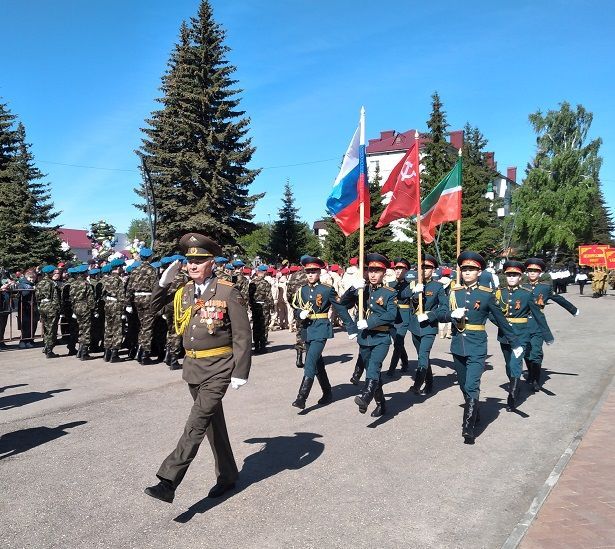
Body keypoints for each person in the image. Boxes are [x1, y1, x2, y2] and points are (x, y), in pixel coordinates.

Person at [144, 232, 251, 504]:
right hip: (193, 367)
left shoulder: (227, 291)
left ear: (211, 262)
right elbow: (152, 310)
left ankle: (168, 480)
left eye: (199, 260)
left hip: (219, 368)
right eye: (189, 260)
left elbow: (241, 335)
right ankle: (228, 476)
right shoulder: (185, 292)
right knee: (213, 424)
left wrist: (240, 371)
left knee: (196, 423)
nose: (192, 265)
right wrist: (162, 282)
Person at [438, 252, 523, 444]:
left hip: (477, 345)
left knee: (471, 384)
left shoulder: (486, 294)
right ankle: (474, 411)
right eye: (465, 269)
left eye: (472, 269)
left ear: (479, 271)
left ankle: (468, 427)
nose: (467, 273)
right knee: (462, 384)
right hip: (458, 345)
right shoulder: (453, 292)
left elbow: (500, 320)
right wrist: (452, 314)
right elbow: (440, 314)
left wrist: (515, 343)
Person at [289, 256, 356, 409]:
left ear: (319, 273)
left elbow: (340, 308)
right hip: (307, 328)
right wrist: (300, 313)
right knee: (318, 363)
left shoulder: (327, 289)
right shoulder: (302, 290)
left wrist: (350, 327)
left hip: (321, 328)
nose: (311, 275)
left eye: (313, 272)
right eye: (308, 272)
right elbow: (296, 308)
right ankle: (327, 393)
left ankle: (301, 398)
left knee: (310, 361)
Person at [341, 253, 397, 417]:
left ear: (383, 273)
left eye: (377, 271)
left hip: (381, 338)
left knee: (373, 368)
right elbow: (343, 304)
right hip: (364, 339)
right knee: (374, 374)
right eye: (370, 270)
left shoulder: (389, 293)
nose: (373, 274)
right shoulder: (362, 290)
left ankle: (365, 397)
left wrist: (370, 322)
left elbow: (392, 315)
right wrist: (353, 289)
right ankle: (381, 404)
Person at [493, 261, 553, 409]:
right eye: (509, 275)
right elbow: (491, 312)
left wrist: (547, 336)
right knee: (508, 365)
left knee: (515, 363)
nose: (511, 277)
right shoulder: (500, 292)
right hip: (504, 335)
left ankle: (512, 395)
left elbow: (538, 315)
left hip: (521, 334)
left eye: (515, 275)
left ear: (520, 277)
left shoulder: (526, 294)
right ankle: (516, 384)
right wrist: (501, 323)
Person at [522, 258, 579, 390]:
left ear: (540, 273)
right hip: (523, 324)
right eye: (530, 270)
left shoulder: (545, 288)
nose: (532, 273)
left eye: (535, 271)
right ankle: (531, 373)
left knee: (536, 352)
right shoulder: (521, 287)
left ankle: (535, 379)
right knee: (526, 353)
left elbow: (559, 299)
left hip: (537, 324)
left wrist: (573, 310)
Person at [408, 254, 448, 396]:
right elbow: (405, 301)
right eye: (421, 267)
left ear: (433, 270)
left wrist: (430, 315)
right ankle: (430, 382)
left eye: (428, 267)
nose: (424, 270)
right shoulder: (413, 285)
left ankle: (417, 384)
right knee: (422, 356)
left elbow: (444, 308)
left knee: (423, 354)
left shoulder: (438, 287)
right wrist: (414, 294)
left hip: (428, 327)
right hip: (414, 326)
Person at [125, 248, 159, 364]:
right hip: (148, 299)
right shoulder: (152, 270)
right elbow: (155, 288)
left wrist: (128, 303)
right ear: (150, 257)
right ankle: (145, 354)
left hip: (137, 299)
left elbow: (129, 288)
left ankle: (140, 351)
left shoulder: (135, 270)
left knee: (142, 325)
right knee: (147, 327)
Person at [385, 258, 411, 376]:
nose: (398, 270)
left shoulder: (411, 285)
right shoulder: (389, 285)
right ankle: (405, 362)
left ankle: (392, 368)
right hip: (392, 316)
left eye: (401, 268)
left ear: (406, 270)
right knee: (397, 341)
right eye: (396, 268)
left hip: (404, 316)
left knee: (398, 341)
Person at [101, 260, 127, 363]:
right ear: (118, 268)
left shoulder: (106, 279)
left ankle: (107, 352)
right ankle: (114, 354)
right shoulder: (118, 280)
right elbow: (121, 296)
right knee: (117, 329)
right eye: (121, 267)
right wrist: (123, 310)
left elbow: (102, 294)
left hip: (108, 304)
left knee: (108, 328)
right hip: (116, 305)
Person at [68, 265, 95, 360]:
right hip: (84, 307)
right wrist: (93, 309)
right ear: (84, 273)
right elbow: (90, 299)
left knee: (80, 329)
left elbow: (71, 297)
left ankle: (80, 350)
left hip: (76, 307)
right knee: (86, 330)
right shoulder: (86, 284)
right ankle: (84, 353)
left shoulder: (73, 284)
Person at [35, 265, 62, 358]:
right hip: (50, 307)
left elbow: (37, 297)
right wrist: (57, 309)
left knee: (46, 328)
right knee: (52, 329)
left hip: (42, 306)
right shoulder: (51, 283)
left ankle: (46, 346)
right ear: (50, 273)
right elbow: (55, 297)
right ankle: (49, 350)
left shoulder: (39, 283)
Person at [249, 264, 273, 353]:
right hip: (264, 306)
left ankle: (256, 346)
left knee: (256, 325)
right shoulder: (265, 283)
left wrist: (251, 305)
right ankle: (262, 346)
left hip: (255, 306)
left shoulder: (252, 282)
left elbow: (249, 296)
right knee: (264, 326)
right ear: (264, 272)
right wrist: (272, 307)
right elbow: (269, 297)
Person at [17, 269, 39, 348]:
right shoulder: (22, 284)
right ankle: (23, 341)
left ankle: (30, 340)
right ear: (27, 277)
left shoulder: (35, 283)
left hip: (33, 307)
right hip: (25, 308)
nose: (32, 279)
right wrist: (31, 288)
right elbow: (24, 293)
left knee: (33, 324)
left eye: (34, 278)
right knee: (26, 325)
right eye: (31, 278)